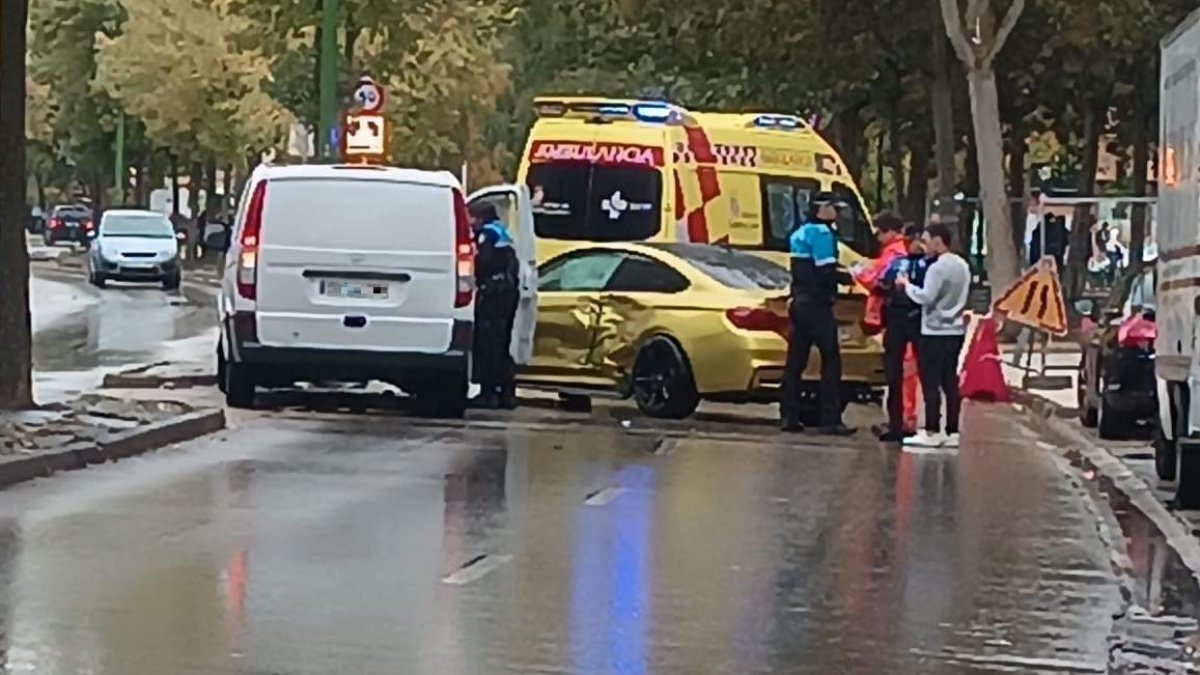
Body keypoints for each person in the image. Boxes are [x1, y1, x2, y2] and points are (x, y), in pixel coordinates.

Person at [780, 192, 854, 436]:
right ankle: (830, 419)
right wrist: (850, 276)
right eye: (835, 208)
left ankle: (788, 416)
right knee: (831, 360)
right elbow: (825, 271)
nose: (838, 213)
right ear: (823, 209)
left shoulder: (799, 233)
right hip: (817, 305)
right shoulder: (823, 234)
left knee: (795, 362)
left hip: (799, 303)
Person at [897, 222, 971, 449]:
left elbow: (926, 297)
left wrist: (906, 285)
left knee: (930, 381)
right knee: (950, 380)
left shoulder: (937, 268)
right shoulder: (962, 265)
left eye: (927, 240)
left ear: (939, 241)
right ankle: (952, 430)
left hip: (934, 330)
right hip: (955, 330)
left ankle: (932, 430)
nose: (923, 245)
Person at [876, 223, 928, 442]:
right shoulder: (897, 263)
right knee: (893, 373)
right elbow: (880, 284)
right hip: (897, 319)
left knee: (925, 372)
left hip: (919, 320)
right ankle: (895, 422)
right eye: (914, 240)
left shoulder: (931, 265)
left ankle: (925, 422)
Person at [468, 202, 520, 410]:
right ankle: (506, 393)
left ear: (480, 217)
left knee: (488, 342)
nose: (470, 222)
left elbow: (483, 263)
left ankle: (488, 393)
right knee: (502, 343)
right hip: (507, 293)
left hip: (494, 293)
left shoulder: (487, 235)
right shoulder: (502, 233)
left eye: (471, 218)